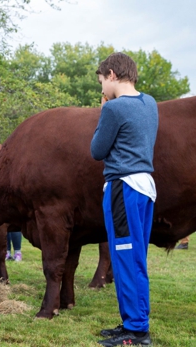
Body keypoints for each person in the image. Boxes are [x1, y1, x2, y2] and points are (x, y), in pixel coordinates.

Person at [91, 52, 158, 347]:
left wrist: (103, 110)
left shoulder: (114, 109)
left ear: (112, 74)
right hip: (145, 186)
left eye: (102, 81)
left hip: (123, 188)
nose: (102, 89)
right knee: (135, 258)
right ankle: (133, 322)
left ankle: (136, 331)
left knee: (124, 257)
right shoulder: (150, 102)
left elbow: (97, 150)